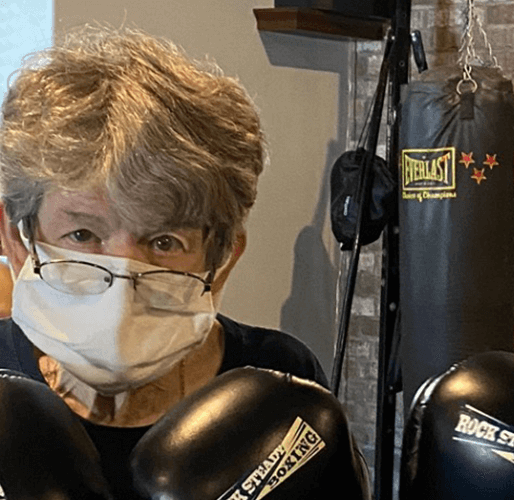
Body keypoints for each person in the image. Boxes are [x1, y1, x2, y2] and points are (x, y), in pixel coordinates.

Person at [0, 26, 329, 497]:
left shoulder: (277, 382)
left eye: (164, 241)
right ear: (17, 238)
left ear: (222, 260)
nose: (122, 278)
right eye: (82, 234)